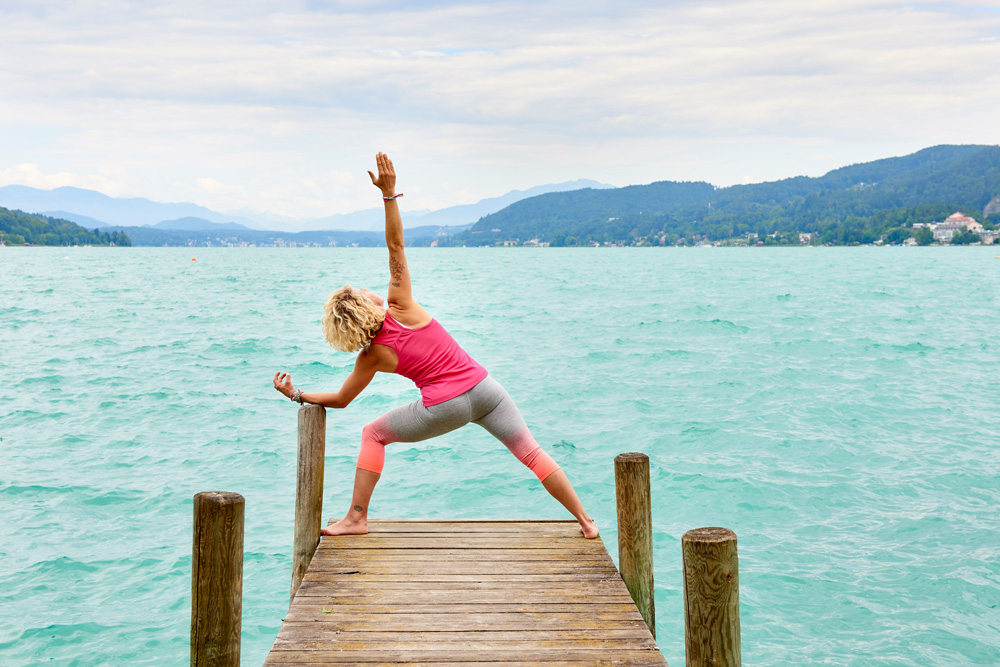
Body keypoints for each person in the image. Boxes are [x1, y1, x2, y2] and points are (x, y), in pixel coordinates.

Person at [273, 152, 598, 539]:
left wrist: (298, 395)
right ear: (365, 304)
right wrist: (389, 195)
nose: (366, 288)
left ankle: (356, 518)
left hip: (446, 405)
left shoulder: (370, 356)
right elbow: (396, 247)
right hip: (486, 389)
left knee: (372, 434)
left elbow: (342, 399)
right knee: (530, 452)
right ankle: (586, 522)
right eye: (361, 292)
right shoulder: (402, 304)